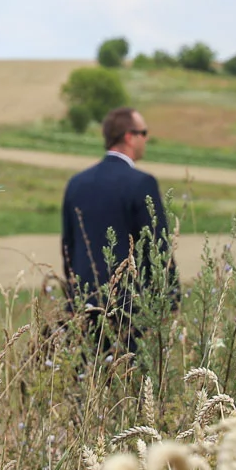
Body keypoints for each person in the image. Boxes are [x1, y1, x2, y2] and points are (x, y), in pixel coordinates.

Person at [60, 106, 175, 340]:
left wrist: (74, 295)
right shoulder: (142, 183)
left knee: (88, 374)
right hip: (129, 306)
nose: (147, 138)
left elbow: (68, 246)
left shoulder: (76, 183)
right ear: (129, 137)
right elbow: (156, 246)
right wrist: (169, 299)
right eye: (144, 133)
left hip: (84, 303)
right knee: (128, 374)